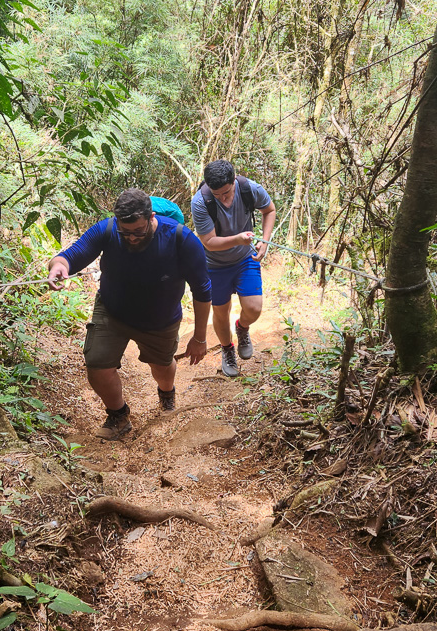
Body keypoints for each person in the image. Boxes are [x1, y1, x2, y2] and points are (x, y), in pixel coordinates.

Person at [47, 188, 212, 440]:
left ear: (151, 217)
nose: (132, 238)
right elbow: (73, 254)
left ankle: (166, 392)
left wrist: (200, 338)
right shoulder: (108, 230)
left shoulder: (181, 239)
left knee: (162, 368)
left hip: (160, 320)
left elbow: (202, 289)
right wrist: (59, 266)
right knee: (97, 364)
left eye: (138, 231)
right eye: (126, 232)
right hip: (113, 311)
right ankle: (118, 415)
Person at [190, 160, 275, 377]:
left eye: (226, 193)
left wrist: (264, 241)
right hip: (214, 265)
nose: (223, 199)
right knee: (220, 310)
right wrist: (238, 239)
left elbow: (269, 209)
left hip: (245, 259)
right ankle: (227, 349)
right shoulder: (201, 202)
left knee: (254, 308)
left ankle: (242, 327)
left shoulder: (250, 189)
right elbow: (208, 242)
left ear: (234, 181)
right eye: (217, 195)